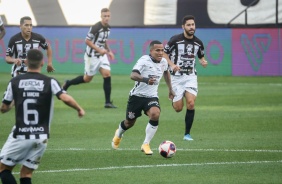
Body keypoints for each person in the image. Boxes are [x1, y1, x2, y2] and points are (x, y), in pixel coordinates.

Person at [0, 49, 85, 184]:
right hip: (41, 136)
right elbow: (64, 97)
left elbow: (4, 108)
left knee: (3, 169)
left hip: (21, 134)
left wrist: (13, 102)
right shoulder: (50, 81)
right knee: (26, 174)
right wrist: (79, 109)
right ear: (42, 63)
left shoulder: (15, 81)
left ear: (26, 62)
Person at [111, 40, 175, 155]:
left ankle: (146, 144)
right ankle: (119, 134)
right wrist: (145, 80)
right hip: (137, 96)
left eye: (162, 50)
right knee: (129, 122)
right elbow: (133, 75)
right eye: (157, 50)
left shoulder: (164, 62)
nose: (160, 53)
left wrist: (170, 89)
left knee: (155, 114)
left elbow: (166, 72)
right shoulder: (144, 60)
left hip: (151, 96)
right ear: (151, 51)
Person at [163, 15, 208, 141]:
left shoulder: (198, 42)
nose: (191, 27)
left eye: (193, 24)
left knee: (191, 103)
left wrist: (203, 62)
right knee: (178, 108)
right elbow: (164, 54)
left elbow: (201, 57)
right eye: (188, 25)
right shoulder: (175, 40)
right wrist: (172, 65)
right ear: (183, 27)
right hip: (176, 78)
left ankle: (187, 134)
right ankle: (174, 96)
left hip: (190, 77)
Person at [62, 8, 116, 108]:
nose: (106, 18)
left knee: (107, 74)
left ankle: (107, 102)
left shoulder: (108, 28)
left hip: (102, 56)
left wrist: (109, 51)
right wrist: (99, 50)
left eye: (108, 16)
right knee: (87, 79)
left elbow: (104, 41)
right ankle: (68, 83)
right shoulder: (95, 27)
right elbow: (87, 41)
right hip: (92, 57)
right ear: (101, 16)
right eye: (105, 16)